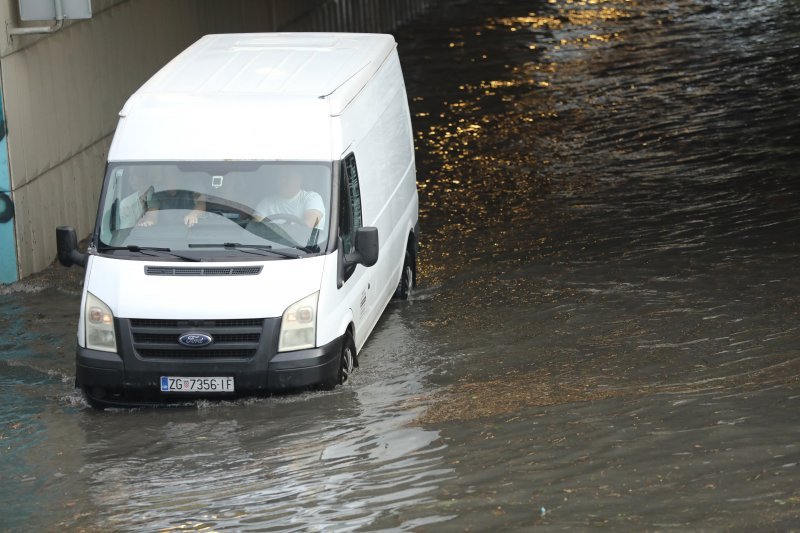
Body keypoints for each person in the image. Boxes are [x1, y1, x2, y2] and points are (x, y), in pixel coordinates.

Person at [253, 170, 324, 229]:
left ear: (299, 180)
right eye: (281, 177)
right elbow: (254, 228)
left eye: (288, 177)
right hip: (268, 244)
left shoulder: (312, 198)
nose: (283, 181)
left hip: (303, 245)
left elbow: (308, 228)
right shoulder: (266, 202)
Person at [135, 169, 205, 227]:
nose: (174, 179)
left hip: (190, 230)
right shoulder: (157, 192)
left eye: (177, 176)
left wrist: (193, 214)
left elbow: (201, 203)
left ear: (182, 177)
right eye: (170, 177)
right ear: (164, 179)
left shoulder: (190, 187)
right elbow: (152, 214)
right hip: (167, 234)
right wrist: (148, 221)